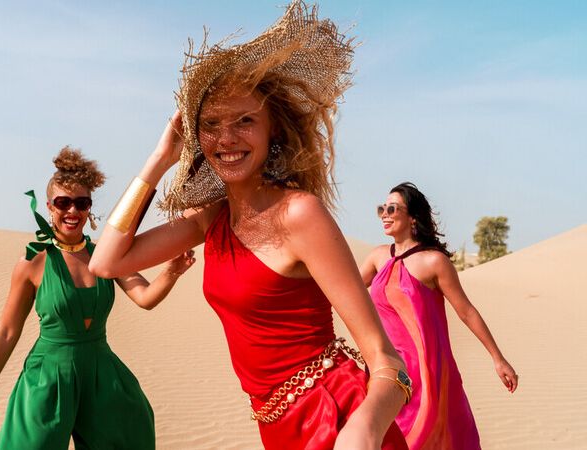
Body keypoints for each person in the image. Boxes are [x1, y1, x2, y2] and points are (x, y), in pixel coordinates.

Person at [89, 2, 409, 449]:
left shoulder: (300, 214)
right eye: (211, 124)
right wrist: (160, 159)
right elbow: (106, 262)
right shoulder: (210, 219)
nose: (227, 139)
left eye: (245, 121)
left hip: (335, 417)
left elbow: (388, 362)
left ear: (271, 130)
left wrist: (362, 430)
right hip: (275, 423)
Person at [0, 147, 195, 450]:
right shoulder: (33, 262)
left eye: (81, 203)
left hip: (100, 373)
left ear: (89, 208)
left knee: (132, 432)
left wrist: (172, 271)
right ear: (49, 206)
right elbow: (7, 331)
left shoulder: (106, 256)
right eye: (63, 203)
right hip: (49, 376)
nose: (72, 211)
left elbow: (145, 297)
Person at [359, 182, 519, 450]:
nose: (384, 214)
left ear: (413, 217)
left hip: (424, 370)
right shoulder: (377, 257)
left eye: (391, 208)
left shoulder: (433, 262)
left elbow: (466, 311)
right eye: (381, 209)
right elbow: (345, 289)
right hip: (383, 366)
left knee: (426, 438)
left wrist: (498, 358)